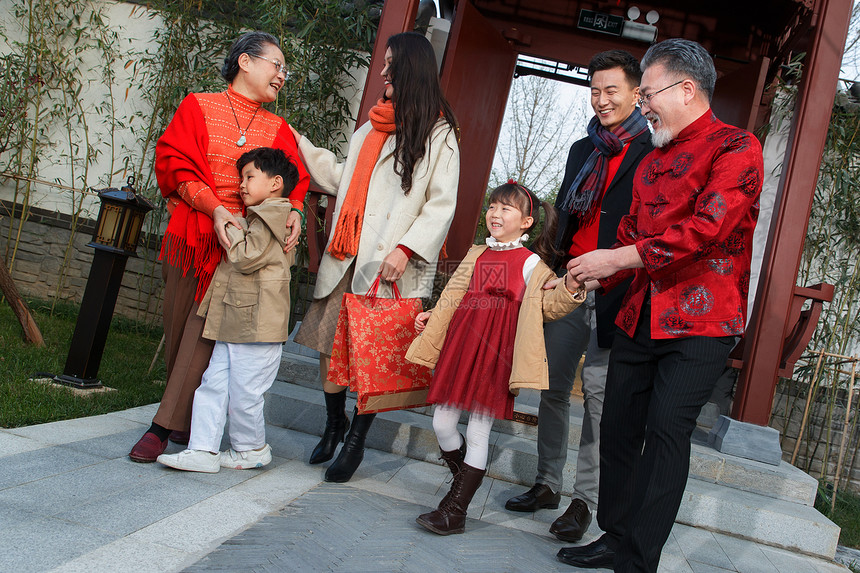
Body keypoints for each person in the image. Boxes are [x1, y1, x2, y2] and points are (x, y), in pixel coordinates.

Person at [556, 38, 763, 572]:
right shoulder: (652, 159)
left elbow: (706, 228)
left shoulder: (737, 147)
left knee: (667, 429)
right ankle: (615, 534)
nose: (640, 103)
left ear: (686, 88)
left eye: (646, 92)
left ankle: (640, 557)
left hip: (702, 322)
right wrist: (589, 271)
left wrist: (615, 258)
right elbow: (628, 232)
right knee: (619, 427)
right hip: (640, 313)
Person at [129, 31, 309, 463]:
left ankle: (162, 425)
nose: (282, 75)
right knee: (179, 328)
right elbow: (174, 162)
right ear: (245, 62)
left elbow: (295, 179)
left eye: (285, 69)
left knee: (204, 333)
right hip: (195, 234)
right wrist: (214, 209)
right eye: (277, 65)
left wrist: (297, 212)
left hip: (246, 245)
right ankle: (187, 424)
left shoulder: (279, 128)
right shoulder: (198, 105)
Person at [292, 31, 459, 483]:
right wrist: (299, 144)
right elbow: (345, 179)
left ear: (411, 68)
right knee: (330, 350)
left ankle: (355, 442)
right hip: (347, 258)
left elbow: (442, 204)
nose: (383, 71)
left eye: (390, 63)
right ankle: (333, 425)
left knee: (373, 358)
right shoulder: (370, 127)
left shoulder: (439, 132)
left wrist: (407, 250)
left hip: (389, 266)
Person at [504, 50, 653, 543]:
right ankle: (547, 482)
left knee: (597, 399)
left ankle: (583, 501)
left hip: (618, 290)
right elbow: (563, 221)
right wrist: (550, 269)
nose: (602, 99)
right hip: (569, 284)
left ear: (637, 93)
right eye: (595, 90)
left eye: (612, 90)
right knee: (551, 387)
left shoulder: (654, 153)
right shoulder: (579, 150)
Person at [406, 181, 588, 536]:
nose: (495, 213)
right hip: (461, 345)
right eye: (493, 206)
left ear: (526, 222)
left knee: (477, 431)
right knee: (442, 423)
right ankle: (465, 481)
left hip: (496, 353)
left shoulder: (531, 263)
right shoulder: (476, 253)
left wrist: (570, 288)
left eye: (506, 208)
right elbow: (455, 294)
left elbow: (548, 307)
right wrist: (434, 316)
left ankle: (455, 510)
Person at [157, 148, 299, 473]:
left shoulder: (272, 215)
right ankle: (203, 449)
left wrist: (230, 226)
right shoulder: (261, 215)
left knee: (245, 394)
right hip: (237, 322)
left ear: (276, 183)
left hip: (257, 328)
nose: (241, 186)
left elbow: (246, 256)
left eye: (250, 177)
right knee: (213, 384)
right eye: (241, 178)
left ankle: (252, 449)